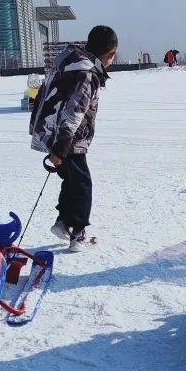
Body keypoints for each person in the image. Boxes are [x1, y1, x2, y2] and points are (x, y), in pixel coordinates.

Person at [30, 25, 118, 252]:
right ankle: (78, 234)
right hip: (67, 138)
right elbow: (74, 112)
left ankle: (62, 223)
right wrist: (60, 148)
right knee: (82, 184)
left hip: (51, 131)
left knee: (71, 179)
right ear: (111, 54)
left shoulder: (70, 61)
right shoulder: (87, 73)